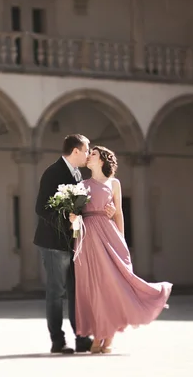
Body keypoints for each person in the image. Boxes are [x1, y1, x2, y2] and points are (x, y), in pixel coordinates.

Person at [69, 146, 172, 354]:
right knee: (94, 289)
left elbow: (119, 214)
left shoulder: (114, 183)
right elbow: (75, 215)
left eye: (94, 154)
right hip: (87, 238)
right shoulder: (81, 185)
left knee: (111, 286)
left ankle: (107, 338)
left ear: (103, 160)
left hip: (109, 236)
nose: (89, 156)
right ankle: (98, 335)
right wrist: (73, 220)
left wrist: (121, 241)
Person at [34, 134, 116, 354]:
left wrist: (109, 211)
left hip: (75, 243)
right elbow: (41, 208)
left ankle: (81, 338)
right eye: (87, 149)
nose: (89, 153)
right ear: (76, 151)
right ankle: (58, 341)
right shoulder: (52, 172)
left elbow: (83, 209)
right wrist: (65, 220)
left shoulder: (79, 174)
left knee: (76, 291)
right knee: (56, 292)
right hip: (53, 243)